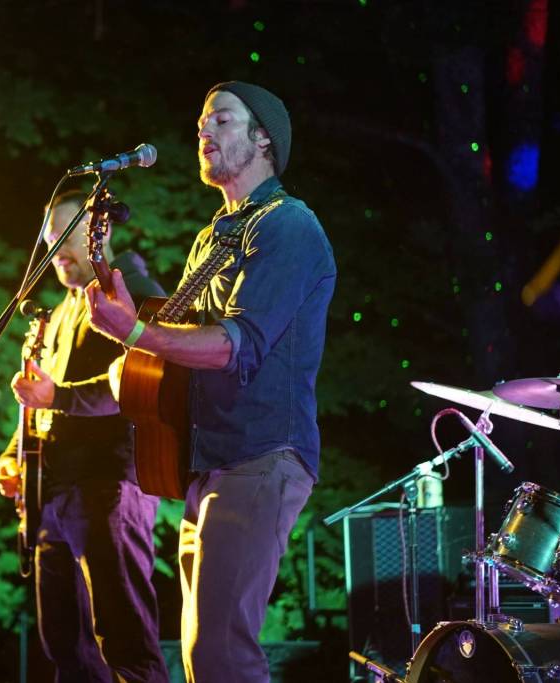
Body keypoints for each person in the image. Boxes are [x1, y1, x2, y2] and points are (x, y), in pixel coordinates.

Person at [85, 82, 337, 683]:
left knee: (222, 653)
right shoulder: (212, 236)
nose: (204, 130)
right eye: (202, 122)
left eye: (222, 120)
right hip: (208, 463)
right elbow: (180, 346)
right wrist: (135, 356)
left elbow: (234, 345)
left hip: (261, 453)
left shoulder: (288, 225)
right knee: (202, 657)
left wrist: (136, 334)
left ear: (263, 139)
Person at [0, 190, 170, 683]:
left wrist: (58, 397)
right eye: (49, 242)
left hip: (109, 483)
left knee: (125, 642)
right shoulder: (59, 312)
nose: (56, 252)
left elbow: (139, 382)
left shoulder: (133, 288)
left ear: (100, 231)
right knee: (66, 648)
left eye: (64, 238)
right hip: (55, 492)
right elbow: (40, 400)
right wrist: (13, 455)